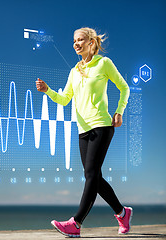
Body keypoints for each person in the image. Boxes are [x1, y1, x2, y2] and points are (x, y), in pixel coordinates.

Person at [35, 27, 132, 238]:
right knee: (94, 177)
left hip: (102, 125)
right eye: (73, 41)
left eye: (80, 40)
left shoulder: (104, 64)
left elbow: (124, 87)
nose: (76, 43)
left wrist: (119, 111)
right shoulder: (73, 71)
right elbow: (64, 99)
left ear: (91, 42)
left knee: (90, 175)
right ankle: (122, 213)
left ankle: (76, 223)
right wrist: (48, 91)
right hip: (83, 129)